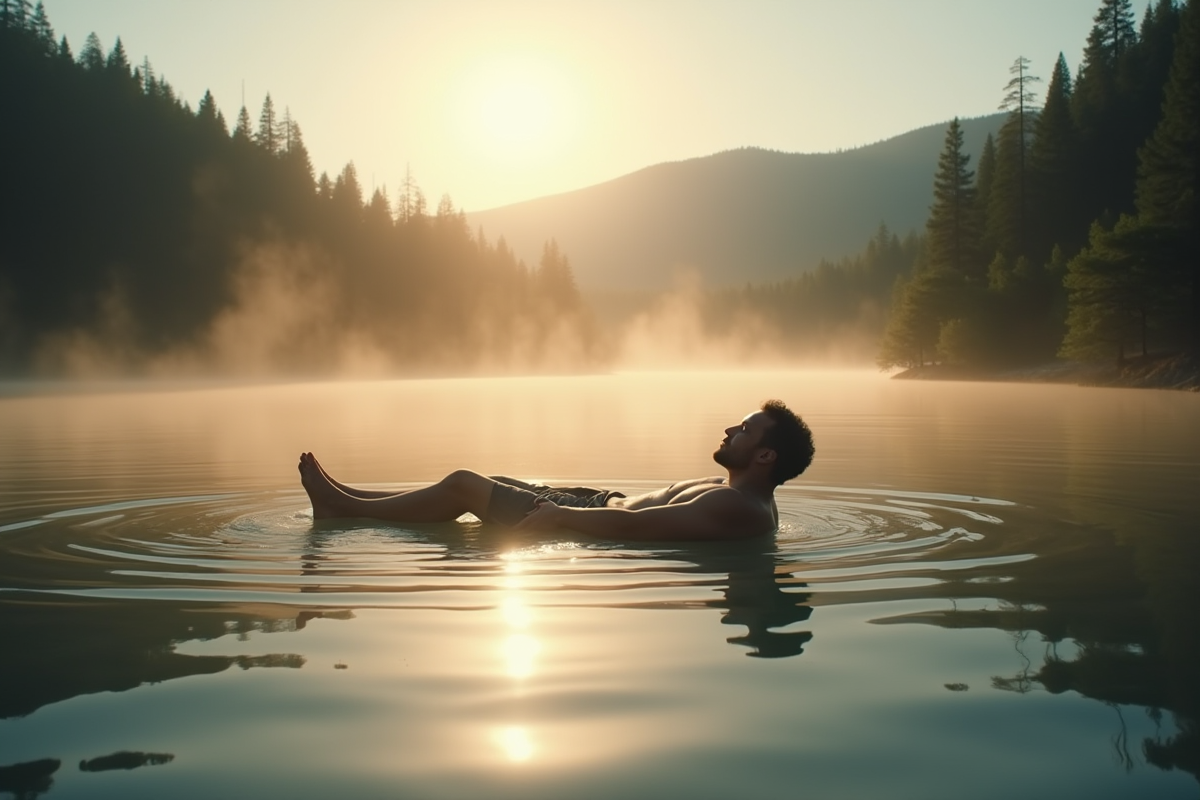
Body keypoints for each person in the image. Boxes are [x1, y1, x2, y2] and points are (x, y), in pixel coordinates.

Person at [298, 399, 814, 541]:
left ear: (766, 456)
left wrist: (559, 517)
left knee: (463, 484)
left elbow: (637, 528)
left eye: (744, 431)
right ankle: (353, 495)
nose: (730, 430)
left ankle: (342, 510)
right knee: (477, 483)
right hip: (596, 501)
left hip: (584, 519)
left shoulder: (736, 507)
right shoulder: (735, 494)